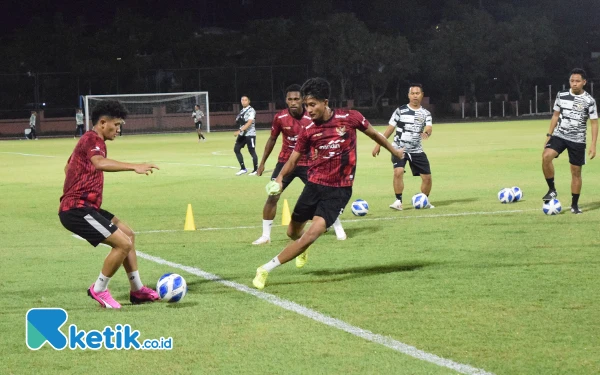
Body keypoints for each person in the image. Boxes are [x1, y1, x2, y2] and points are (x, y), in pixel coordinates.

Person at [252, 78, 404, 290]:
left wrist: (395, 151)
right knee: (293, 233)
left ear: (325, 102)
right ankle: (302, 247)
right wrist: (279, 178)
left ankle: (265, 269)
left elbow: (374, 135)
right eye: (306, 105)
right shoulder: (308, 130)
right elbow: (294, 159)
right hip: (314, 185)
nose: (308, 110)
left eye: (312, 105)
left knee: (312, 233)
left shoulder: (350, 118)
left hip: (339, 190)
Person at [58, 100, 160, 308]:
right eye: (117, 125)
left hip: (86, 206)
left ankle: (137, 290)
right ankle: (99, 289)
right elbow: (99, 163)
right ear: (103, 122)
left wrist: (74, 184)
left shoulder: (90, 140)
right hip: (77, 209)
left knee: (128, 234)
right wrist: (135, 167)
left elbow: (68, 166)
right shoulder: (93, 139)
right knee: (122, 244)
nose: (119, 130)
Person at [253, 84, 346, 245]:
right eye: (290, 99)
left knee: (322, 196)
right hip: (285, 162)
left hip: (309, 162)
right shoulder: (280, 118)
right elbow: (272, 139)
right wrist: (262, 163)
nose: (293, 102)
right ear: (286, 101)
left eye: (296, 99)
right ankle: (266, 236)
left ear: (302, 100)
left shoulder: (312, 117)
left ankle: (338, 228)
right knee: (273, 195)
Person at [542, 68, 598, 214]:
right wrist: (549, 134)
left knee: (576, 172)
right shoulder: (561, 95)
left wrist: (593, 145)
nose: (574, 83)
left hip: (577, 140)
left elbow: (594, 123)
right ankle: (552, 189)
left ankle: (574, 205)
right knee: (546, 156)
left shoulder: (589, 101)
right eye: (572, 81)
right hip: (560, 135)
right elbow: (555, 115)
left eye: (577, 81)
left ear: (584, 82)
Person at [373, 83, 433, 210]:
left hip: (416, 149)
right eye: (412, 93)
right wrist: (378, 144)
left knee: (427, 178)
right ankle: (398, 201)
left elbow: (429, 127)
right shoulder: (400, 111)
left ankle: (424, 200)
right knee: (398, 171)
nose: (415, 96)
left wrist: (426, 133)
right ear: (408, 95)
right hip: (399, 148)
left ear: (422, 95)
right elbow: (389, 129)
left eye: (417, 93)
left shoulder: (426, 113)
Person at [233, 96, 258, 175]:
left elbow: (249, 122)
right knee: (236, 149)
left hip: (250, 134)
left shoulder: (251, 110)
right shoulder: (241, 111)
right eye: (242, 100)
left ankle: (255, 170)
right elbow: (238, 120)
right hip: (242, 134)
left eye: (245, 100)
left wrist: (240, 130)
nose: (243, 101)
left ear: (249, 101)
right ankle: (243, 168)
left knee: (252, 151)